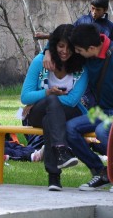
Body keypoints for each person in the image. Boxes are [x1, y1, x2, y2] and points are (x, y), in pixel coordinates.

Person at [65, 24, 113, 190]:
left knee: (102, 130)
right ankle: (101, 172)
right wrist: (48, 53)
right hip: (102, 111)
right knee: (70, 128)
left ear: (92, 48)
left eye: (79, 50)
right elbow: (63, 42)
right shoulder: (87, 54)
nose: (77, 53)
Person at [21, 24, 89, 191]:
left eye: (69, 47)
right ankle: (61, 150)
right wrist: (48, 93)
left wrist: (51, 97)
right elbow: (25, 96)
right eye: (60, 46)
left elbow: (73, 101)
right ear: (54, 46)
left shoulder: (82, 68)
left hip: (68, 112)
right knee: (51, 102)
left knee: (50, 117)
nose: (65, 51)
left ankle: (54, 177)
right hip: (38, 111)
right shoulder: (41, 62)